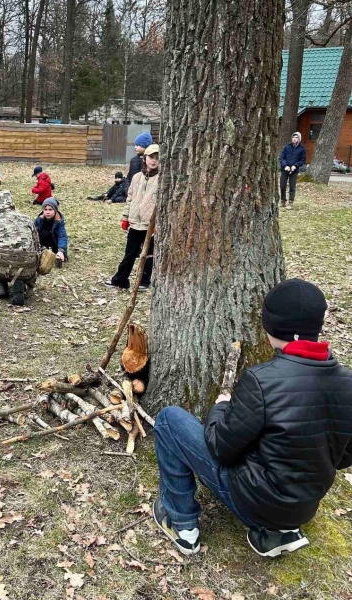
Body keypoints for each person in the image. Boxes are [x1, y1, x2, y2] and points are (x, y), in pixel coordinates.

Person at [152, 278, 352, 558]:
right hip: (304, 507)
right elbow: (343, 457)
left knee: (169, 419)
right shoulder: (348, 382)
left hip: (256, 501)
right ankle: (276, 533)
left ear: (270, 325)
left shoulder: (262, 380)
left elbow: (220, 448)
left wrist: (220, 408)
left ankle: (182, 525)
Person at [105, 144, 159, 292]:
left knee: (148, 254)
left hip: (150, 225)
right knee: (130, 253)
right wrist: (125, 217)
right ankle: (121, 280)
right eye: (151, 157)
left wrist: (157, 224)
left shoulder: (161, 180)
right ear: (145, 158)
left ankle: (145, 281)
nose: (154, 161)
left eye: (157, 158)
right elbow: (130, 198)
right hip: (135, 222)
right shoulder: (136, 177)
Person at [0, 190, 40, 306]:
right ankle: (20, 283)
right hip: (28, 267)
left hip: (1, 267)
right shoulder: (27, 219)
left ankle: (1, 282)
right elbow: (37, 245)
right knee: (23, 258)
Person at [34, 197, 68, 264]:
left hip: (54, 242)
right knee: (43, 233)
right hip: (43, 242)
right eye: (45, 209)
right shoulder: (39, 220)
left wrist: (61, 250)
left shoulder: (59, 221)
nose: (48, 212)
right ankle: (41, 251)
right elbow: (34, 232)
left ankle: (60, 256)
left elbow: (62, 236)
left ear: (55, 210)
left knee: (59, 253)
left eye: (50, 209)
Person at [279, 132, 306, 210]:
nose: (294, 139)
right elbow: (281, 158)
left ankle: (291, 202)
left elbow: (302, 160)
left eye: (296, 137)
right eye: (293, 137)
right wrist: (285, 166)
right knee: (282, 185)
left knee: (292, 186)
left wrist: (295, 166)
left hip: (294, 170)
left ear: (299, 139)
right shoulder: (287, 147)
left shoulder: (302, 149)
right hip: (285, 169)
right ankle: (283, 201)